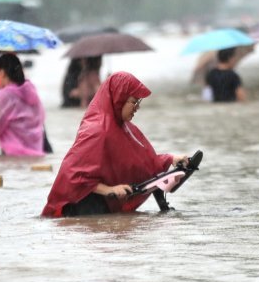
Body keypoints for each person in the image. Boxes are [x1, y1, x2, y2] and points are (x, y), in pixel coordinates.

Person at [42, 72, 187, 217]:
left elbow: (140, 162)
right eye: (134, 102)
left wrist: (171, 159)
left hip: (104, 207)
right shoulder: (96, 129)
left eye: (138, 102)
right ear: (120, 99)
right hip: (83, 208)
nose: (137, 108)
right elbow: (73, 175)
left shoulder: (125, 128)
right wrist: (109, 190)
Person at [0, 53, 46, 156]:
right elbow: (41, 117)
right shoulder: (31, 91)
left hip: (12, 154)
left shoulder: (4, 95)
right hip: (36, 153)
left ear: (2, 72)